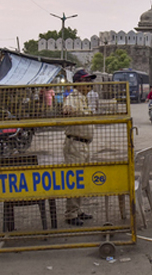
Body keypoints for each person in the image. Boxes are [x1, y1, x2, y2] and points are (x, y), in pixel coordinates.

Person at [62, 68, 97, 226]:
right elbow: (67, 108)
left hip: (83, 144)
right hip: (75, 144)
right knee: (74, 179)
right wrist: (67, 110)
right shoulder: (73, 97)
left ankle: (77, 209)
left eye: (89, 80)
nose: (89, 83)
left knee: (81, 179)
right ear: (78, 83)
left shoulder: (84, 98)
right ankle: (70, 213)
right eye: (86, 80)